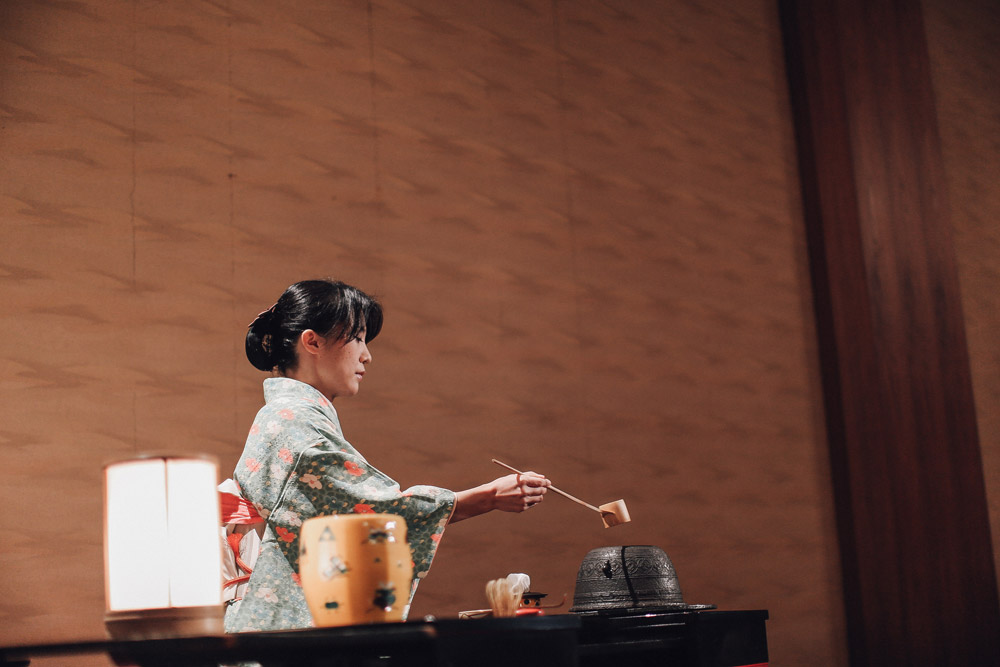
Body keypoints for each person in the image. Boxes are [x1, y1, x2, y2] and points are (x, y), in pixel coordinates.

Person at [223, 279, 550, 632]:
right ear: (313, 341)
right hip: (281, 632)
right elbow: (373, 512)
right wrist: (488, 497)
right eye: (357, 338)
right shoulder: (292, 421)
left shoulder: (293, 417)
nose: (366, 355)